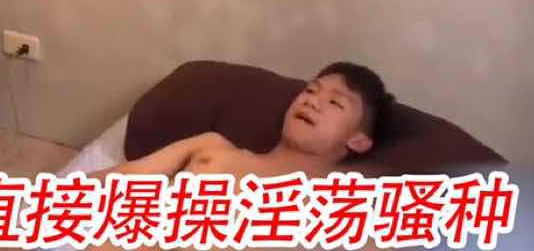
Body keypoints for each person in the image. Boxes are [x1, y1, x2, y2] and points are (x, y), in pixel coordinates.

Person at [91, 62, 394, 183]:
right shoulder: (211, 147)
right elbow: (115, 179)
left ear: (358, 140)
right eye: (311, 90)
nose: (311, 101)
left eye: (335, 102)